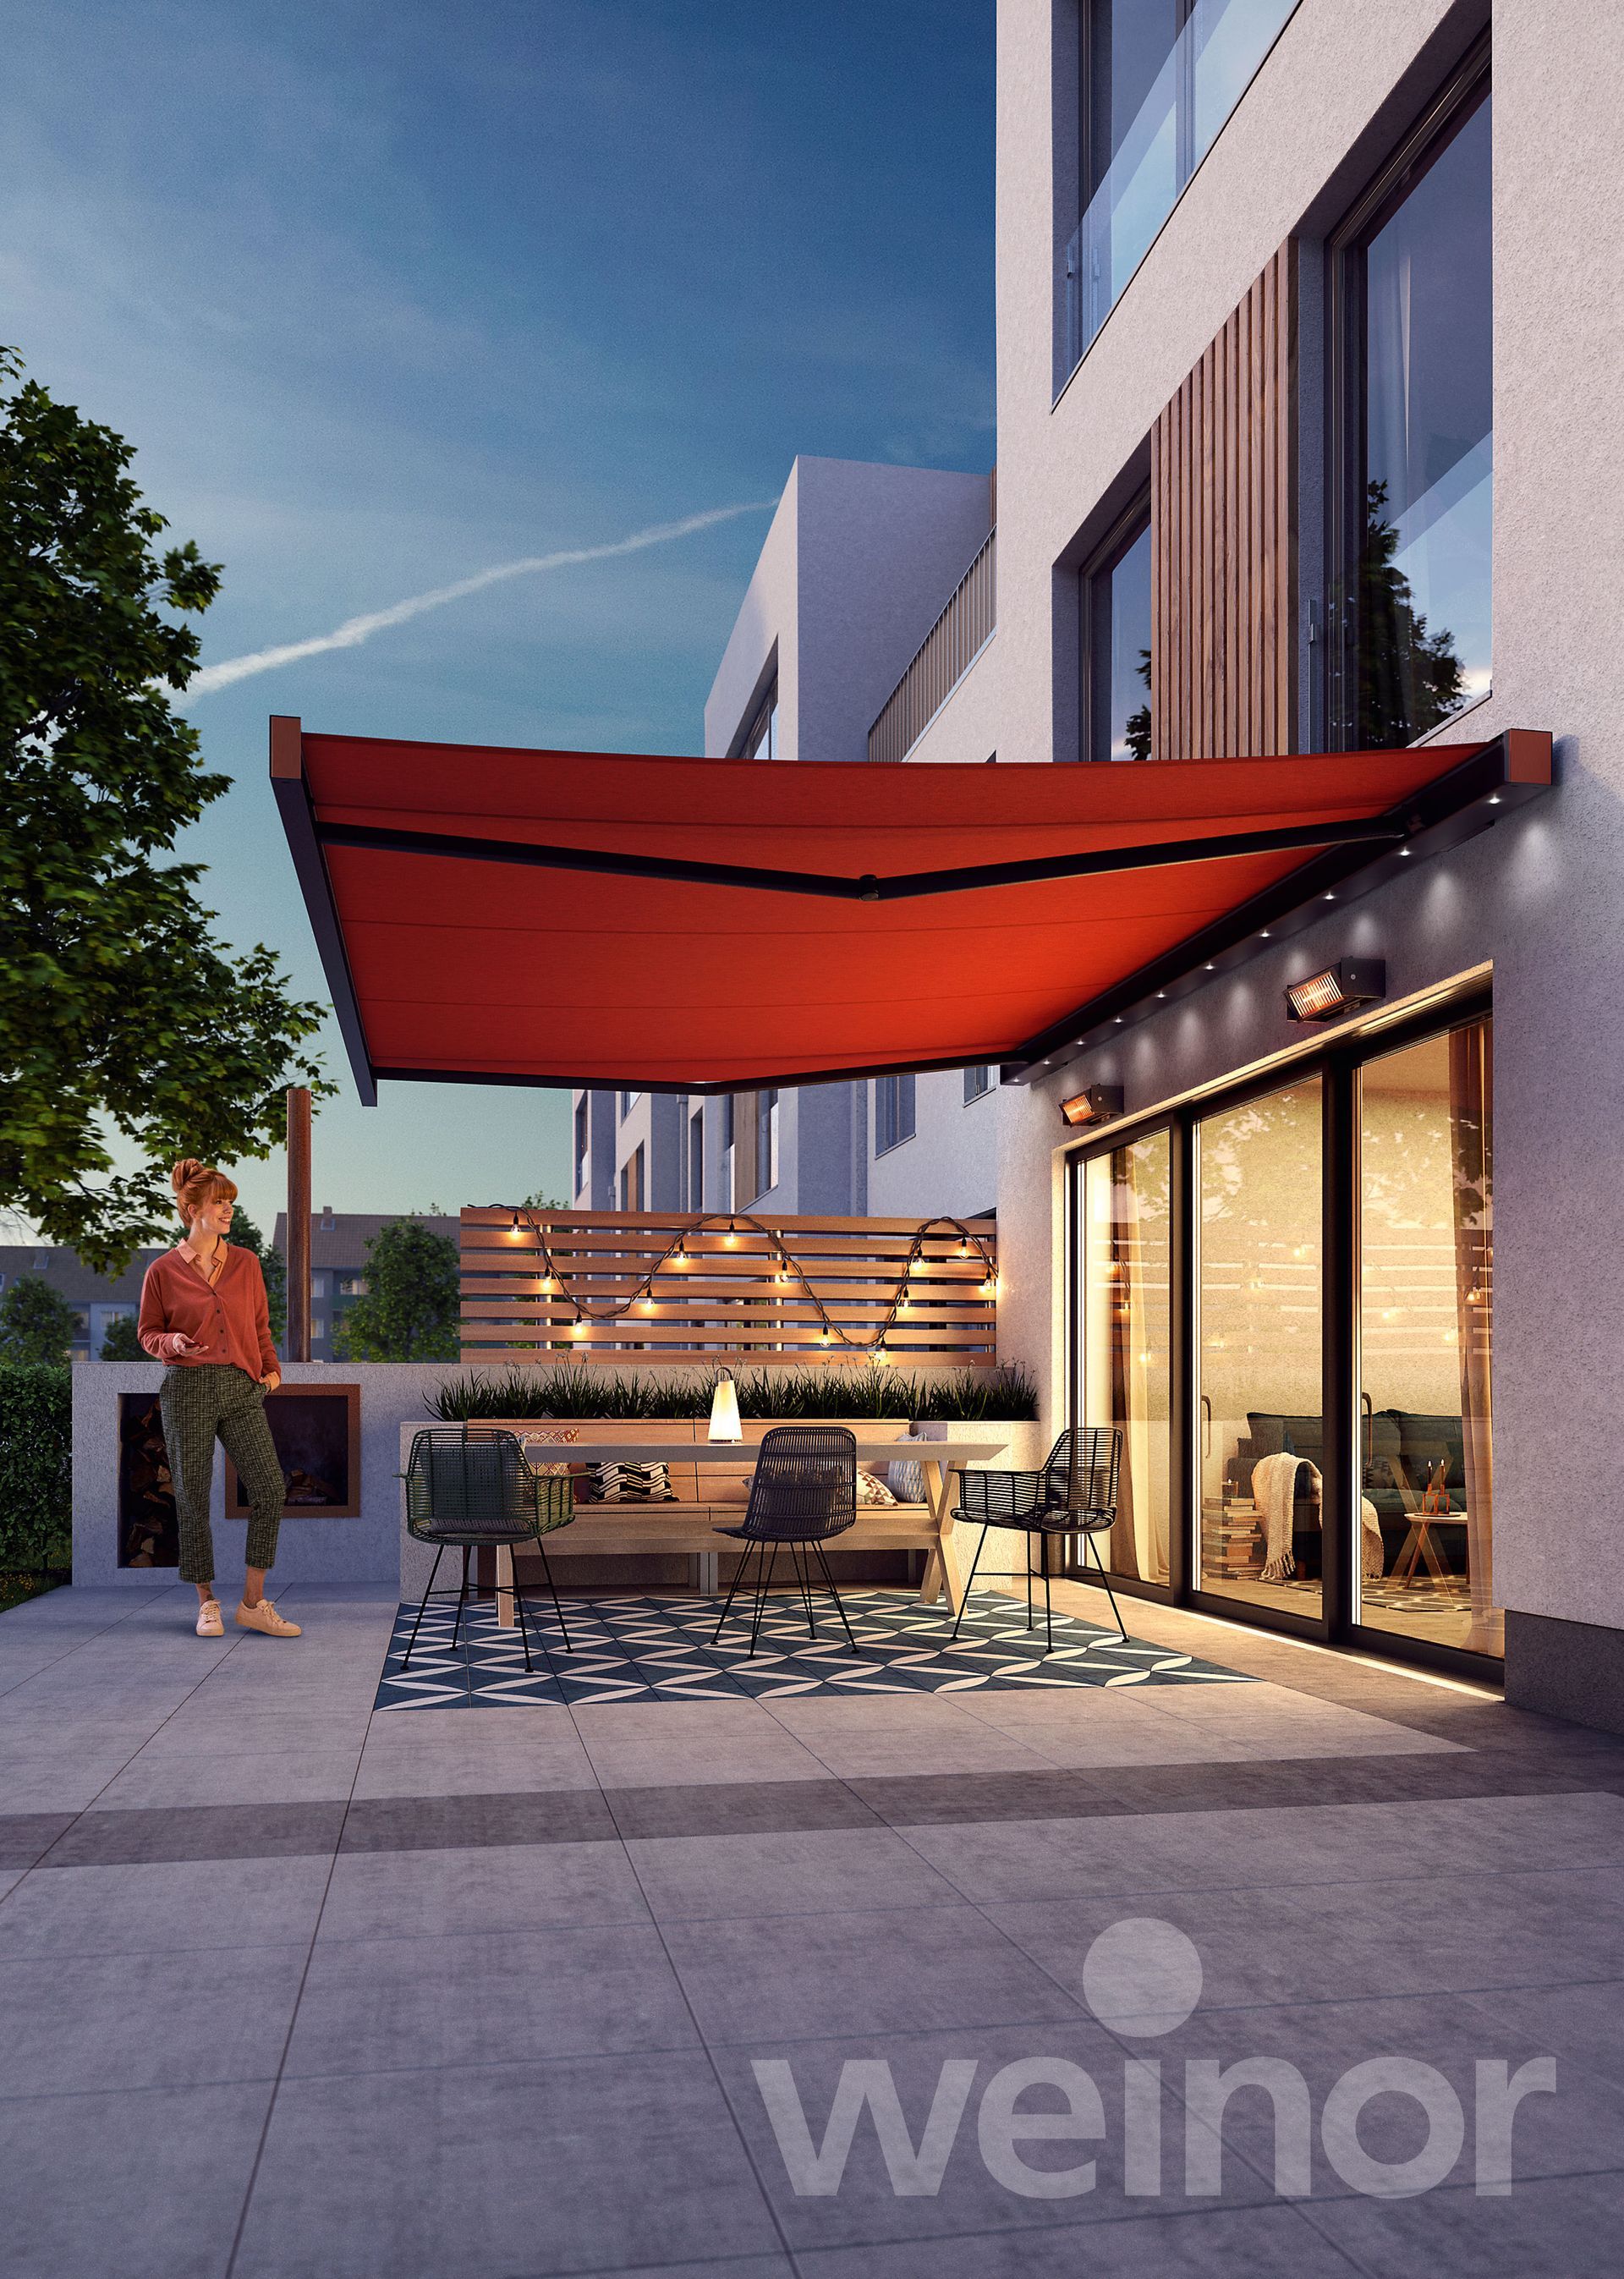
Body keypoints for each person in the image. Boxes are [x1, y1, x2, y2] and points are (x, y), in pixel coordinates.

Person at [137, 1158, 303, 1639]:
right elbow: (148, 1333)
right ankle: (207, 1601)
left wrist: (271, 1372)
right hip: (187, 1388)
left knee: (270, 1488)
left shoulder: (246, 1263)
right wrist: (173, 1345)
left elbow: (259, 1327)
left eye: (231, 1201)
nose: (228, 1209)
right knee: (191, 1495)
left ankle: (253, 1602)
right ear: (192, 1209)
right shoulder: (162, 1271)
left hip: (241, 1388)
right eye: (219, 1202)